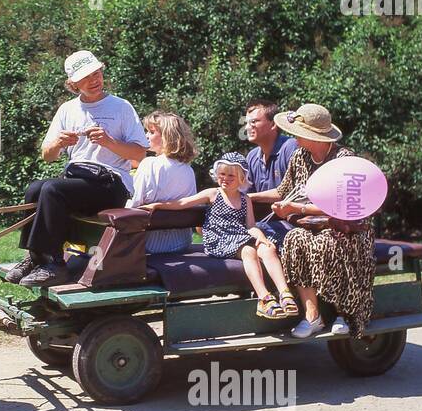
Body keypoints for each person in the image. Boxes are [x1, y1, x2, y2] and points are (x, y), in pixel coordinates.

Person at [8, 51, 149, 287]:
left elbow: (140, 154)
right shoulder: (67, 110)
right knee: (35, 189)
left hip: (111, 183)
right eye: (85, 77)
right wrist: (58, 143)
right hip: (79, 179)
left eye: (97, 73)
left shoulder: (121, 107)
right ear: (73, 84)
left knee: (53, 189)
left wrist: (109, 142)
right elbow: (48, 156)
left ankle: (54, 265)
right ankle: (35, 257)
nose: (94, 80)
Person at [263, 104, 376, 340]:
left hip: (346, 228)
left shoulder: (344, 159)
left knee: (327, 243)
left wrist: (297, 208)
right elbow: (283, 191)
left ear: (313, 136)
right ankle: (312, 315)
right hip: (311, 224)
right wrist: (244, 196)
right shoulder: (299, 156)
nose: (293, 136)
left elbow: (343, 204)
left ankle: (344, 313)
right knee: (294, 239)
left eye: (298, 132)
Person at [154, 152, 297, 320]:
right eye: (222, 174)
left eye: (231, 175)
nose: (225, 178)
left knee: (268, 249)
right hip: (219, 238)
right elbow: (183, 203)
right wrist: (157, 205)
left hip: (239, 236)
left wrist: (262, 238)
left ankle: (285, 293)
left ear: (241, 178)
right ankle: (264, 298)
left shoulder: (245, 200)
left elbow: (251, 226)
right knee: (248, 252)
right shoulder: (213, 194)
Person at [129, 111, 199, 253]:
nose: (146, 136)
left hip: (150, 245)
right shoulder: (188, 170)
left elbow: (135, 204)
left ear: (167, 136)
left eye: (151, 132)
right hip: (182, 242)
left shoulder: (150, 164)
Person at [244, 100, 298, 250]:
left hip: (293, 225)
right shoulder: (252, 156)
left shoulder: (291, 148)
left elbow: (290, 192)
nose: (248, 127)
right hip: (265, 224)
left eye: (254, 122)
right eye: (247, 123)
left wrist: (249, 197)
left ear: (273, 124)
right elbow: (246, 194)